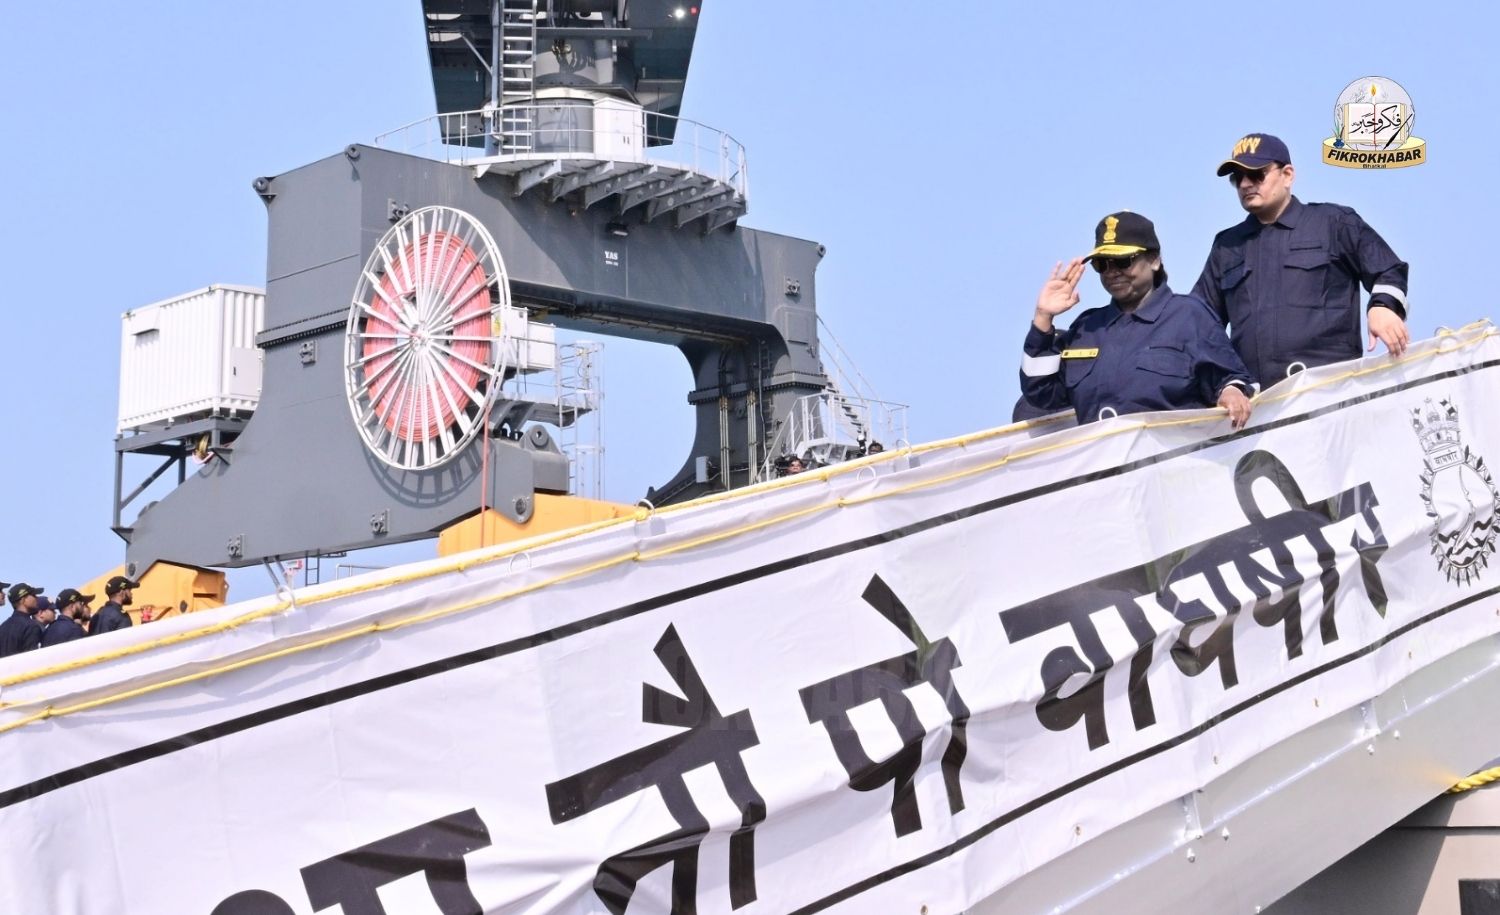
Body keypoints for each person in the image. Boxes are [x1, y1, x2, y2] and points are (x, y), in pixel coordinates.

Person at [1193, 133, 1410, 387]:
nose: (1244, 184)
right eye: (1237, 178)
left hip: (1329, 394)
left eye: (1256, 174)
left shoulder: (1334, 223)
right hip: (1258, 405)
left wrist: (1383, 307)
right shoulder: (1226, 246)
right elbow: (1199, 322)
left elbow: (1389, 269)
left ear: (1287, 175)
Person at [1022, 211, 1254, 428]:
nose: (1112, 272)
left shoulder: (1189, 316)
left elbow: (1231, 378)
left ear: (1154, 260)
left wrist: (1231, 392)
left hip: (1174, 467)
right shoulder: (1087, 327)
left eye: (1124, 261)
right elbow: (1041, 394)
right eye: (1102, 264)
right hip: (1106, 469)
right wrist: (1043, 317)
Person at [0, 583, 45, 657]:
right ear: (23, 600)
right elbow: (31, 660)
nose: (37, 598)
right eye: (33, 595)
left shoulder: (3, 626)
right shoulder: (31, 626)